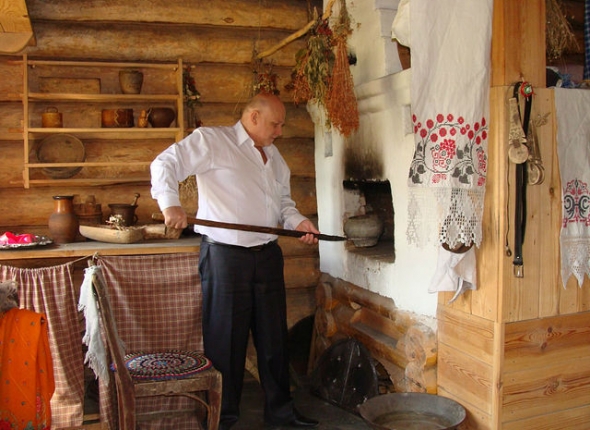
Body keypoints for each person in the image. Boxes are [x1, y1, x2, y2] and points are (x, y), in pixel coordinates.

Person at [150, 92, 320, 429]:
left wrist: (297, 221)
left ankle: (281, 414)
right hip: (225, 259)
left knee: (274, 339)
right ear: (254, 117)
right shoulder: (213, 141)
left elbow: (283, 204)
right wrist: (170, 204)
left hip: (267, 256)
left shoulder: (274, 156)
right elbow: (164, 163)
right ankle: (223, 418)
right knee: (225, 343)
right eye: (275, 124)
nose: (280, 131)